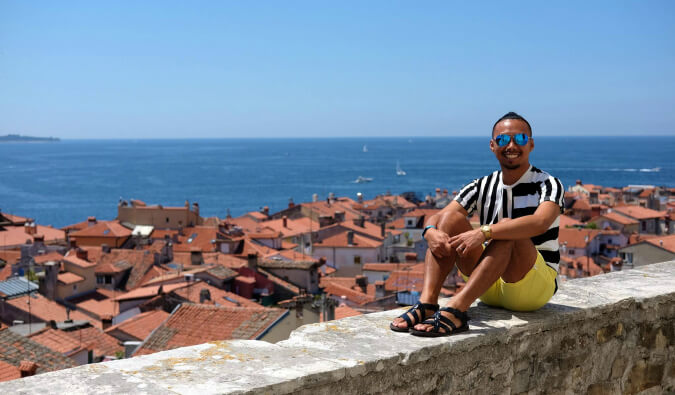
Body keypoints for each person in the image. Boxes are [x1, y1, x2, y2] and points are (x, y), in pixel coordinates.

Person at [390, 112, 564, 337]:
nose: (511, 145)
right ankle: (428, 303)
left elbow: (540, 222)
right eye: (502, 140)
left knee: (509, 229)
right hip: (486, 285)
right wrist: (430, 231)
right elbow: (440, 216)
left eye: (519, 139)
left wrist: (485, 232)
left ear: (530, 144)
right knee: (449, 219)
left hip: (530, 288)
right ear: (492, 146)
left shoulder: (548, 184)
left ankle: (456, 310)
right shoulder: (482, 185)